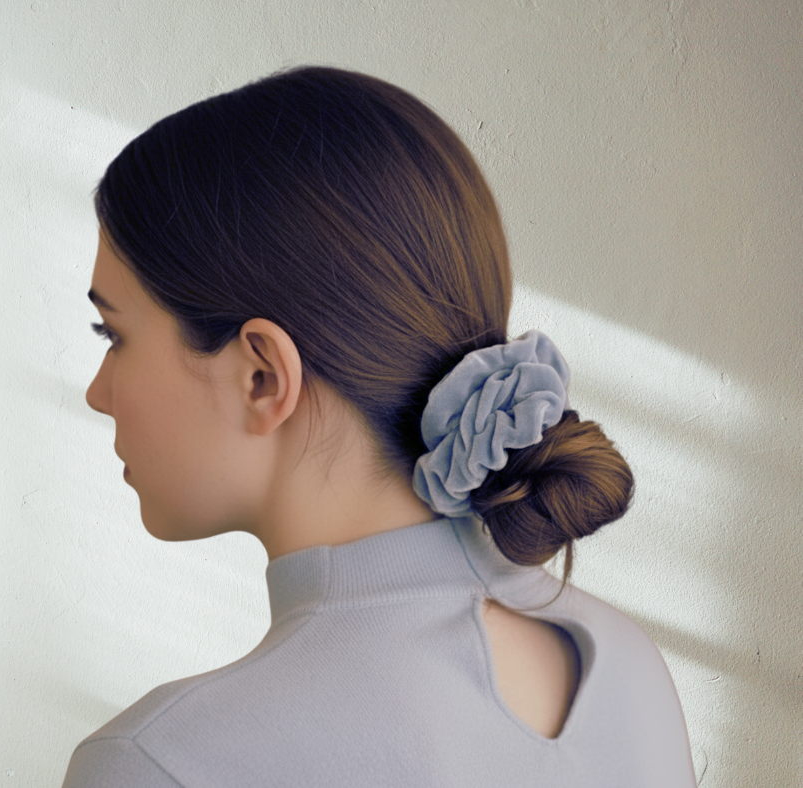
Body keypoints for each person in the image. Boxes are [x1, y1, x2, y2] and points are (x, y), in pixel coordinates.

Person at [62, 66, 696, 786]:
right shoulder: (630, 669)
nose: (97, 392)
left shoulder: (163, 763)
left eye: (112, 334)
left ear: (262, 375)